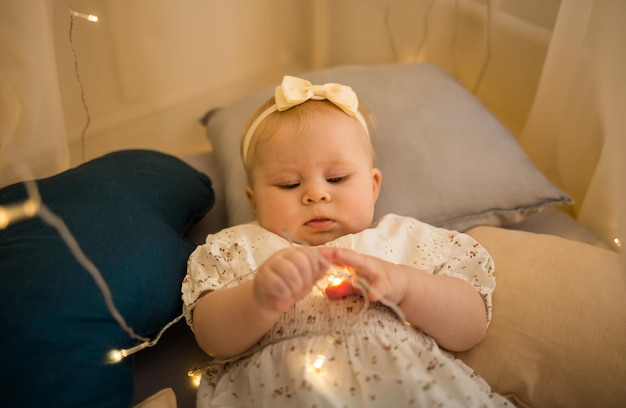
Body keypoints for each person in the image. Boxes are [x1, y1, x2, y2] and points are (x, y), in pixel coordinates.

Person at [182, 76, 511, 407]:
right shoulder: (242, 248)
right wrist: (257, 298)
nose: (316, 194)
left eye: (336, 178)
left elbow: (470, 326)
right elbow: (211, 339)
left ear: (372, 186)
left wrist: (406, 287)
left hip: (408, 384)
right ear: (254, 202)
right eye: (288, 184)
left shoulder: (403, 239)